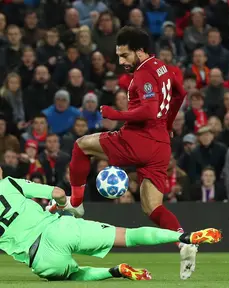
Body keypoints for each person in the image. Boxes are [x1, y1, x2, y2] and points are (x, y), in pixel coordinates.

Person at [59, 26, 195, 279]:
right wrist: (168, 125)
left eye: (125, 55)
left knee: (81, 145)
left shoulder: (143, 75)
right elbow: (180, 94)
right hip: (161, 145)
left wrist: (115, 115)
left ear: (141, 51)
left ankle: (76, 203)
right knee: (153, 207)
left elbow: (148, 110)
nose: (121, 61)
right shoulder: (165, 68)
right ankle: (183, 241)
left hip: (138, 139)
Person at [0, 167, 222, 281]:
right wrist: (62, 204)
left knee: (74, 275)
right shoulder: (9, 183)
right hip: (60, 229)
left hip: (39, 257)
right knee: (128, 235)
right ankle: (182, 238)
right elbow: (58, 193)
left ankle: (114, 271)